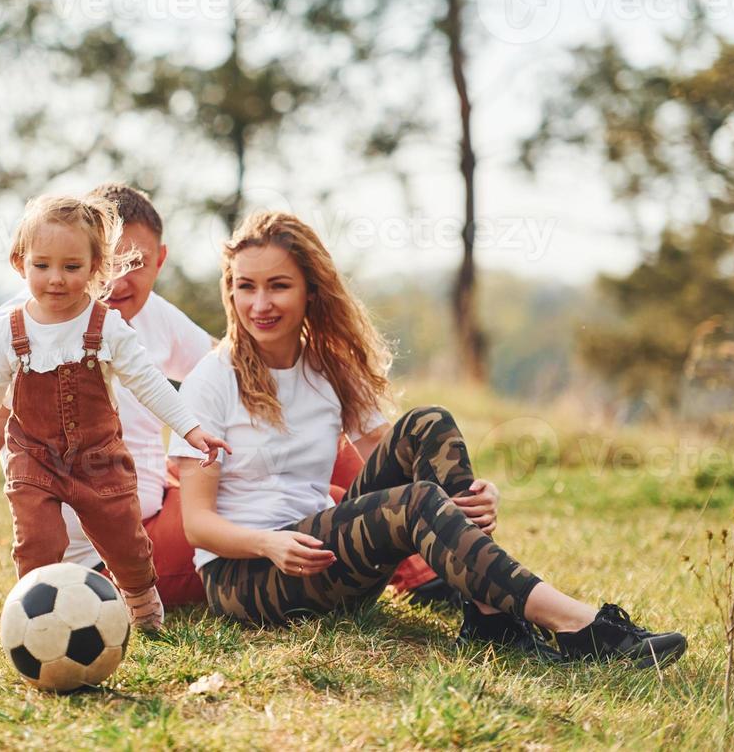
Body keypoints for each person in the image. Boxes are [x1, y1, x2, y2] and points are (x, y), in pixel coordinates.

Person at [0, 185, 487, 615]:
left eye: (137, 265)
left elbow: (244, 376)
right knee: (319, 501)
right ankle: (422, 562)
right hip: (116, 542)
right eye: (109, 265)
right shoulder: (35, 331)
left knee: (313, 448)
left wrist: (317, 363)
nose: (120, 282)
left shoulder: (152, 318)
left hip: (156, 499)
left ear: (159, 261)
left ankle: (430, 556)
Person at [171, 211, 687, 667]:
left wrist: (475, 495)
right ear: (230, 289)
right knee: (416, 503)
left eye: (278, 285)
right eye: (245, 286)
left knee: (427, 423)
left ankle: (490, 618)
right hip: (248, 577)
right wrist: (269, 543)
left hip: (322, 554)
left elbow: (389, 464)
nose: (259, 303)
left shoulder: (330, 369)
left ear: (311, 288)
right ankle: (579, 625)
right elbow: (198, 525)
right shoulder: (212, 380)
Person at [0, 193, 230, 632]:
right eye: (42, 266)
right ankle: (35, 613)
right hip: (34, 457)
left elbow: (150, 382)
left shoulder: (107, 326)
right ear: (19, 262)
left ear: (98, 268)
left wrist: (190, 429)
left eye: (72, 267)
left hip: (98, 458)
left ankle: (139, 595)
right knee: (36, 539)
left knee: (126, 541)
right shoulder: (7, 329)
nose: (56, 279)